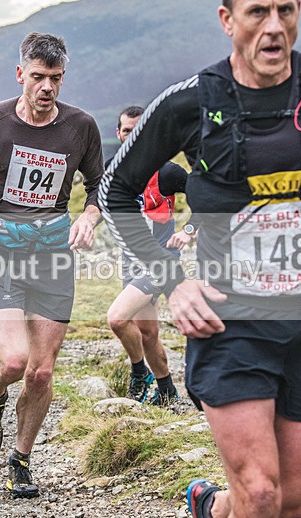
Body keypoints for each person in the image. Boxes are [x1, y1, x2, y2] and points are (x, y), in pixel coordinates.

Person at [98, 1, 301, 518]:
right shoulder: (189, 101)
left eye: (285, 10)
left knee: (293, 501)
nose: (273, 26)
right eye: (258, 11)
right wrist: (173, 282)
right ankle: (237, 504)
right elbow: (115, 189)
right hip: (228, 320)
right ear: (227, 20)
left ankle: (211, 509)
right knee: (261, 494)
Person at [0, 32, 103, 499]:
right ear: (20, 75)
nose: (46, 87)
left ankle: (21, 460)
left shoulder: (81, 126)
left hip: (52, 250)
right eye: (37, 78)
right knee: (13, 362)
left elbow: (100, 184)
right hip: (0, 248)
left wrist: (89, 217)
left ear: (62, 77)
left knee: (42, 371)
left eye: (54, 79)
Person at [105, 106, 190, 406]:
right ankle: (167, 392)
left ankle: (139, 372)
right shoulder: (112, 169)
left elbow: (205, 197)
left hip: (160, 262)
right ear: (118, 133)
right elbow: (97, 200)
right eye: (127, 131)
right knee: (148, 332)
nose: (132, 136)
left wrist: (190, 230)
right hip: (131, 262)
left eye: (138, 130)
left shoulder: (167, 172)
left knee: (117, 319)